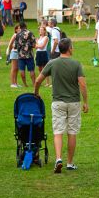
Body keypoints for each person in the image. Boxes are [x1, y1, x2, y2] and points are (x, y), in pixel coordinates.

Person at [34, 38, 88, 173]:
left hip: (58, 102)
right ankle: (70, 163)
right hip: (74, 102)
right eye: (72, 47)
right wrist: (85, 101)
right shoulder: (76, 64)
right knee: (72, 132)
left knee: (58, 131)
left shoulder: (52, 63)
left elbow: (38, 80)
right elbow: (82, 84)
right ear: (69, 49)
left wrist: (36, 93)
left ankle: (58, 158)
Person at [15, 22, 36, 87]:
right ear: (25, 26)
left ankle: (25, 84)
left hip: (21, 55)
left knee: (22, 70)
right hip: (29, 55)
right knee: (31, 70)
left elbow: (16, 46)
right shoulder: (30, 33)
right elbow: (34, 44)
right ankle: (34, 83)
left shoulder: (17, 34)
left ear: (20, 27)